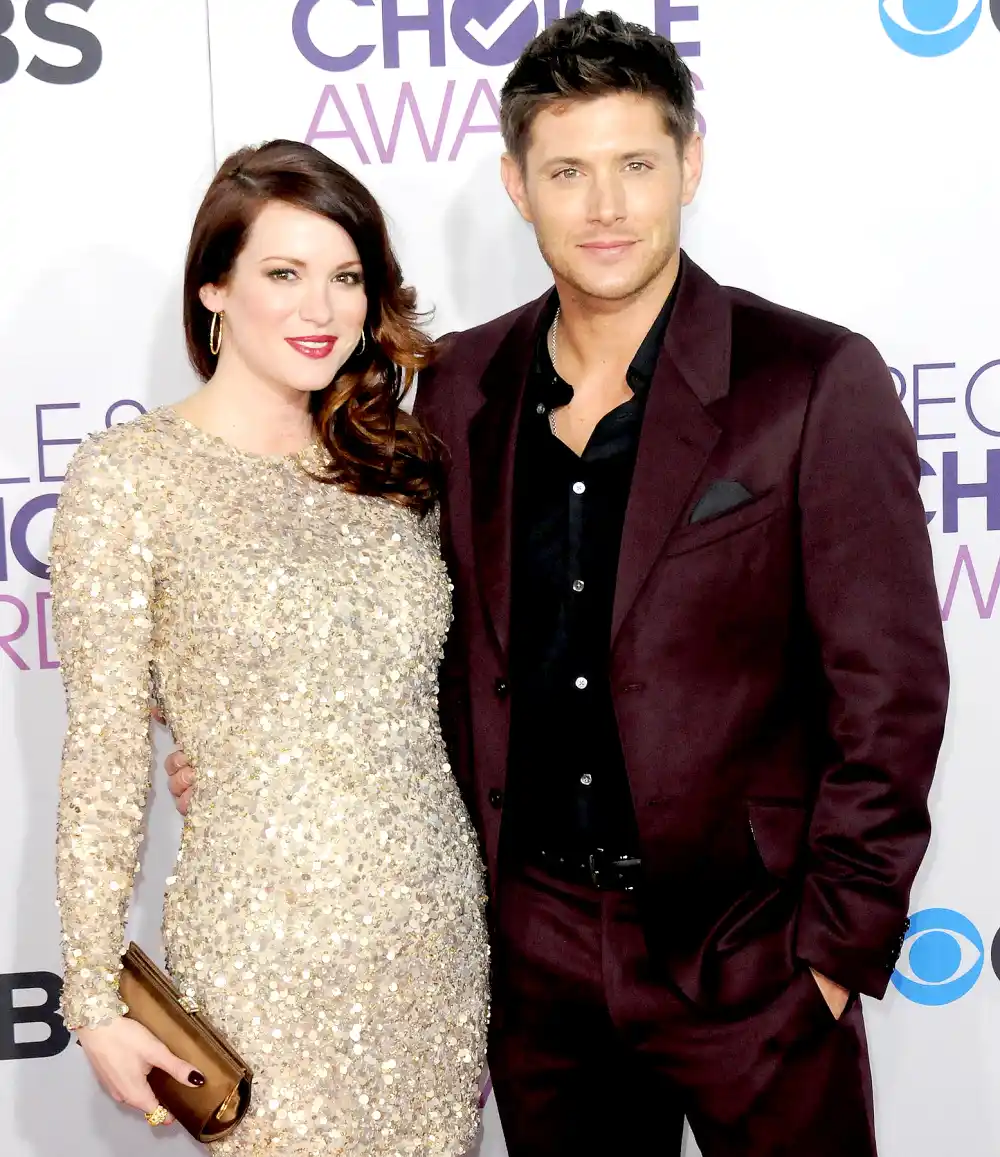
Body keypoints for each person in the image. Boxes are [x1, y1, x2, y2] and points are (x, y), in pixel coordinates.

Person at [168, 12, 949, 1157]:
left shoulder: (812, 380)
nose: (607, 206)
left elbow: (890, 686)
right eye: (568, 170)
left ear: (690, 162)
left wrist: (832, 953)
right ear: (515, 184)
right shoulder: (459, 387)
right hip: (534, 958)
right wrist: (259, 746)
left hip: (752, 956)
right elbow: (411, 640)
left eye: (637, 164)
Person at [50, 139, 489, 1156]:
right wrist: (90, 991)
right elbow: (105, 751)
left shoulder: (393, 469)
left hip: (431, 942)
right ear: (214, 287)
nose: (320, 309)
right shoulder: (129, 479)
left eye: (345, 277)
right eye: (282, 274)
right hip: (262, 950)